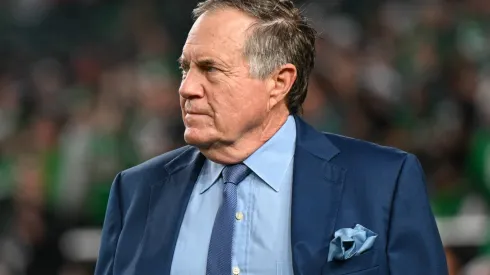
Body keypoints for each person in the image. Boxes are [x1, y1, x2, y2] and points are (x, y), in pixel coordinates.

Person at [94, 0, 448, 274]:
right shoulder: (135, 191)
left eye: (210, 69)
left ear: (278, 83)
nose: (186, 88)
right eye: (185, 68)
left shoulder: (384, 181)